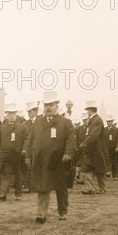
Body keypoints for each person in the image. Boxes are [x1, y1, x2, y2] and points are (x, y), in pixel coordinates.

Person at [25, 91, 76, 223]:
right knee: (43, 187)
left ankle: (63, 212)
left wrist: (67, 153)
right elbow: (30, 140)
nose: (48, 107)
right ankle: (41, 214)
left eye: (51, 105)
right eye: (46, 105)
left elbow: (71, 140)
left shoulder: (65, 122)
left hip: (59, 160)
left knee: (61, 187)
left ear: (56, 106)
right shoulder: (38, 122)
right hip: (42, 161)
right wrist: (28, 155)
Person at [0, 103, 28, 202]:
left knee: (18, 174)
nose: (12, 116)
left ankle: (18, 194)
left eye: (13, 114)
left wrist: (24, 149)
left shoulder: (22, 127)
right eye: (10, 114)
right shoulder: (2, 127)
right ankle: (3, 193)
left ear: (16, 115)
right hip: (6, 154)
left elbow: (27, 139)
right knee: (5, 173)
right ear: (6, 115)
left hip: (18, 153)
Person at [78, 101, 108, 195]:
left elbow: (94, 135)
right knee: (88, 168)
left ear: (90, 110)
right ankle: (89, 188)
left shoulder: (97, 120)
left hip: (96, 149)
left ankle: (102, 188)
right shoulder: (93, 120)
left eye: (87, 110)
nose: (87, 112)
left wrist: (84, 143)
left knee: (99, 170)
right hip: (91, 150)